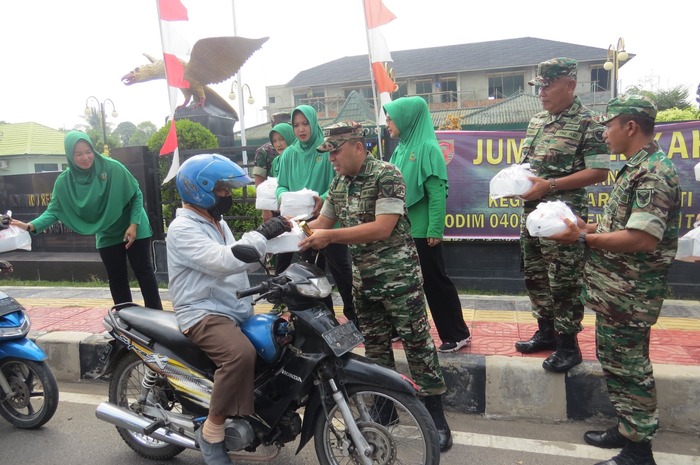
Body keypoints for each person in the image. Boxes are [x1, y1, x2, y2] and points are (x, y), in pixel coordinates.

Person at [299, 121, 453, 452]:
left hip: (400, 280)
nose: (332, 160)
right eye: (328, 154)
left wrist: (328, 236)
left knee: (418, 348)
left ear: (358, 146)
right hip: (364, 283)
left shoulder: (387, 175)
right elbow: (321, 224)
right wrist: (287, 233)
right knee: (376, 350)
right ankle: (385, 415)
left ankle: (437, 420)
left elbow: (383, 228)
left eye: (336, 152)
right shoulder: (338, 183)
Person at [549, 95, 680, 465]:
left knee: (631, 368)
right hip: (616, 292)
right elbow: (620, 227)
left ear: (630, 127)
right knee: (615, 363)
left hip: (632, 293)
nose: (604, 133)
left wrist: (581, 238)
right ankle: (626, 429)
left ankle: (639, 451)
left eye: (608, 125)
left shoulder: (653, 172)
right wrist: (585, 227)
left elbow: (642, 238)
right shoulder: (636, 168)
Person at [166, 153, 291, 465]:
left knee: (281, 341)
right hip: (202, 311)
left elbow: (243, 257)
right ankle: (212, 431)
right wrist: (263, 233)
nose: (228, 195)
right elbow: (223, 260)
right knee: (240, 354)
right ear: (200, 190)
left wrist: (286, 239)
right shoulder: (183, 228)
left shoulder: (215, 221)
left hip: (231, 307)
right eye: (222, 190)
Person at [513, 57, 610, 372]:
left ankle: (569, 345)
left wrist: (550, 184)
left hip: (565, 216)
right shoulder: (537, 121)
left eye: (548, 85)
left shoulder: (589, 122)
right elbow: (531, 166)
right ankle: (546, 333)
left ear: (570, 84)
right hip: (532, 214)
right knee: (535, 275)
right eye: (539, 86)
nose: (542, 92)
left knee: (564, 281)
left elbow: (598, 172)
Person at [10, 130, 163, 310]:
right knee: (116, 277)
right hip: (106, 231)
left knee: (143, 272)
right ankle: (125, 322)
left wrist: (133, 224)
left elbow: (136, 194)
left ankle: (156, 318)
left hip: (133, 226)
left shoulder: (112, 167)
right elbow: (54, 211)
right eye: (78, 154)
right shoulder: (64, 182)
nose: (85, 157)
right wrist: (29, 226)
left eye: (88, 151)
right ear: (70, 155)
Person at [383, 96, 471, 353]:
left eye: (391, 118)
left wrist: (435, 229)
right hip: (401, 232)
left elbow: (436, 192)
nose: (388, 123)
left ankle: (457, 333)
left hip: (423, 232)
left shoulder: (429, 148)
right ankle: (402, 328)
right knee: (402, 284)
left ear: (407, 118)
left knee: (435, 282)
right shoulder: (400, 148)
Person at [275, 105, 357, 326]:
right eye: (296, 125)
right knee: (311, 273)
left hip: (330, 221)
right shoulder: (289, 154)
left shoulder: (326, 149)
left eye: (305, 123)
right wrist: (284, 197)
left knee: (341, 270)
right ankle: (325, 318)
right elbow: (280, 185)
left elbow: (339, 181)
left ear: (313, 123)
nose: (301, 129)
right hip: (301, 224)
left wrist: (322, 198)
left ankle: (354, 315)